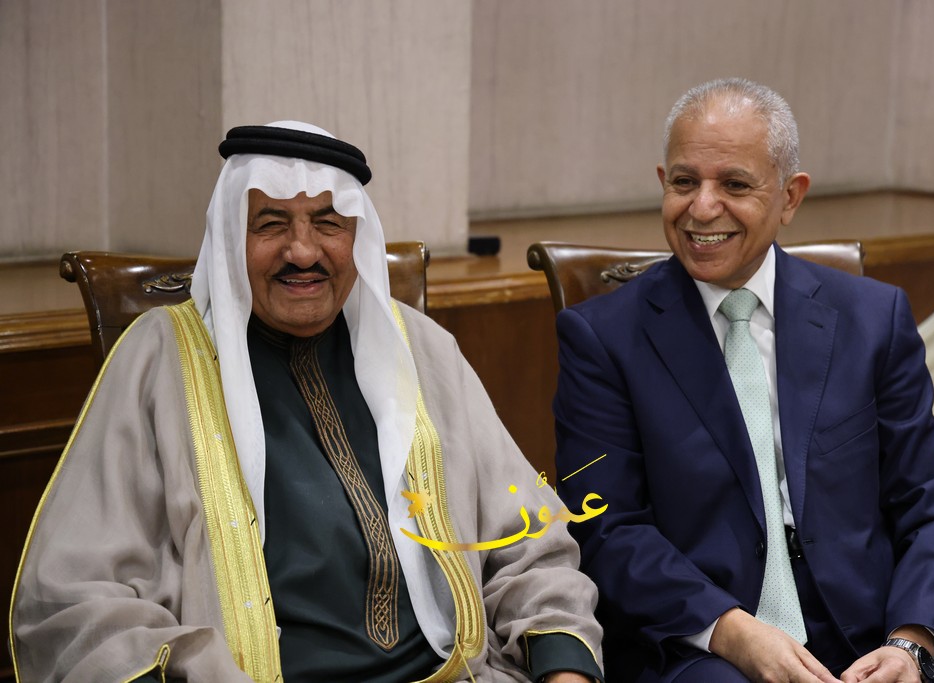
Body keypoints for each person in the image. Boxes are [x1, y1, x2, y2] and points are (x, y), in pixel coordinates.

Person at [10, 121, 603, 683]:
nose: (302, 251)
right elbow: (76, 597)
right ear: (230, 240)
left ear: (356, 238)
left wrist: (563, 666)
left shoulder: (420, 349)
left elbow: (530, 545)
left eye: (328, 224)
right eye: (270, 225)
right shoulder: (161, 359)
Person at [552, 78, 934, 682]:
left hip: (875, 636)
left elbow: (932, 505)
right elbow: (606, 528)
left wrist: (909, 643)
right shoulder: (603, 338)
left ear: (790, 197)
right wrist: (732, 631)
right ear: (663, 182)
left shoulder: (871, 318)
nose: (702, 208)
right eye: (685, 181)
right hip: (705, 644)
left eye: (735, 184)